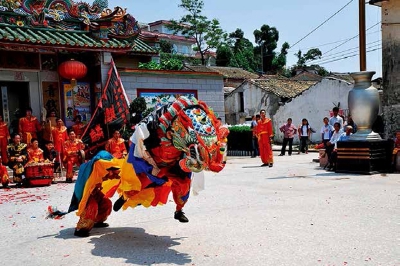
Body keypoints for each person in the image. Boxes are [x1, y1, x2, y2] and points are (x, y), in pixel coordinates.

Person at [74, 166, 121, 237]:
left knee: (106, 203)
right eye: (114, 174)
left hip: (94, 191)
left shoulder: (103, 172)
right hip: (86, 193)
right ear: (110, 171)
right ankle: (81, 229)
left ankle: (98, 221)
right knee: (92, 207)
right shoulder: (95, 172)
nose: (114, 176)